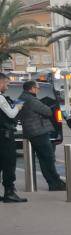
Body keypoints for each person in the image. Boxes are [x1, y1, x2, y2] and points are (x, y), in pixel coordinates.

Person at [18, 79, 66, 192]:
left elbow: (16, 113)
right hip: (38, 132)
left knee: (43, 158)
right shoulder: (31, 100)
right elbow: (48, 111)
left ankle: (53, 183)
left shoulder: (20, 98)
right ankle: (55, 183)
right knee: (48, 158)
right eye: (37, 88)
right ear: (32, 89)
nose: (38, 90)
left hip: (29, 132)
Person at [0, 74, 26, 203]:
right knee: (9, 163)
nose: (7, 87)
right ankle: (9, 192)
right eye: (6, 84)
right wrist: (18, 105)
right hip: (4, 136)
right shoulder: (0, 98)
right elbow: (11, 114)